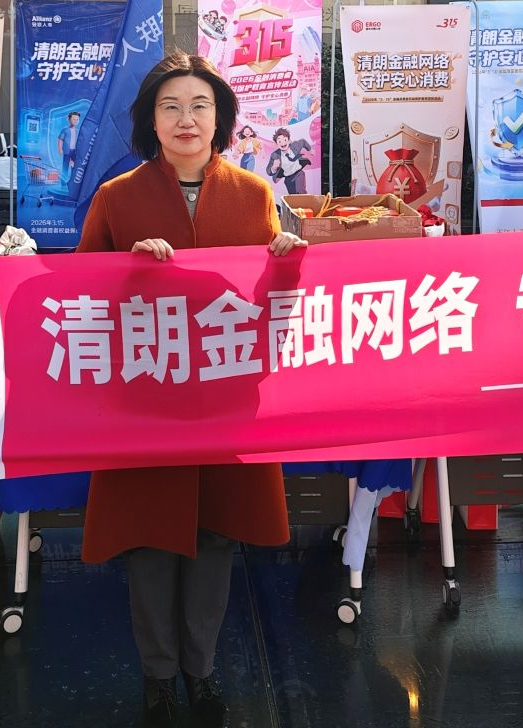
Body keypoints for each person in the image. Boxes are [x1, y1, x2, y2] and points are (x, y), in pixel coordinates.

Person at [76, 52, 305, 728]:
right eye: (171, 106)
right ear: (150, 120)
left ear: (220, 117)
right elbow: (79, 298)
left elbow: (272, 302)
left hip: (226, 399)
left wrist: (289, 263)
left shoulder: (255, 194)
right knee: (150, 541)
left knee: (216, 538)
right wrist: (127, 270)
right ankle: (157, 677)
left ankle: (201, 672)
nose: (186, 118)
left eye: (200, 105)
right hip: (146, 398)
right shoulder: (118, 197)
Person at [264, 127, 310, 195]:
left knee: (300, 192)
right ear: (276, 144)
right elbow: (268, 171)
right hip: (288, 178)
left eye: (285, 140)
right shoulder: (275, 155)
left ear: (289, 141)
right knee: (292, 196)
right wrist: (273, 168)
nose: (283, 143)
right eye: (279, 141)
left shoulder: (294, 146)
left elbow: (303, 141)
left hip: (298, 173)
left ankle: (304, 200)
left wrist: (310, 149)